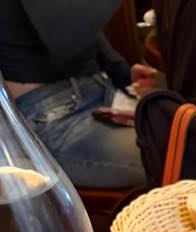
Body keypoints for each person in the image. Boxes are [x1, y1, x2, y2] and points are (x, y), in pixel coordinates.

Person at [0, 0, 157, 187]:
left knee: (182, 131)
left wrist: (124, 74)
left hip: (99, 91)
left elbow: (77, 30)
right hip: (50, 120)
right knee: (178, 152)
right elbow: (62, 32)